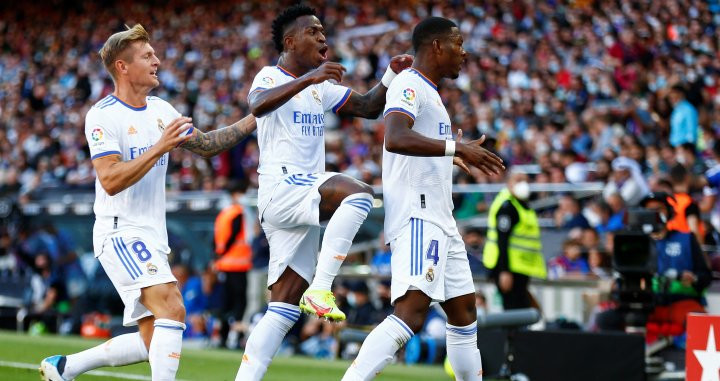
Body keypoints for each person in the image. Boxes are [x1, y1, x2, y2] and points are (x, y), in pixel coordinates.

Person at [40, 24, 256, 381]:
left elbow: (209, 144)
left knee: (152, 340)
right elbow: (109, 180)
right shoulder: (103, 115)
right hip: (119, 231)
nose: (157, 60)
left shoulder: (161, 110)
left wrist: (257, 117)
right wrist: (159, 147)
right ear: (122, 67)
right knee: (173, 306)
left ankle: (67, 367)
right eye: (147, 55)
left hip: (152, 235)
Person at [235, 5, 413, 380]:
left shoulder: (320, 88)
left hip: (300, 198)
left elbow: (367, 107)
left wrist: (389, 76)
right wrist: (311, 78)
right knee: (359, 194)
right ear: (290, 41)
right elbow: (257, 105)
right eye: (313, 32)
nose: (322, 38)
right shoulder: (270, 76)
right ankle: (322, 288)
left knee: (282, 308)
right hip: (283, 187)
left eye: (323, 32)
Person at [342, 17, 505, 381]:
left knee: (464, 315)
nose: (464, 52)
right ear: (436, 46)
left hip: (442, 220)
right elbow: (395, 137)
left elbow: (424, 149)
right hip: (418, 216)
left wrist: (454, 154)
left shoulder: (430, 92)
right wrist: (453, 147)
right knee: (411, 312)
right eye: (458, 43)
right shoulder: (409, 84)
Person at [596, 193, 711, 331]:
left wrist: (694, 278)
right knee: (605, 319)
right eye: (649, 210)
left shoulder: (686, 239)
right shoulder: (633, 241)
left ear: (670, 212)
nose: (654, 214)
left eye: (659, 209)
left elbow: (706, 276)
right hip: (644, 304)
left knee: (700, 324)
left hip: (680, 301)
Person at [483, 171, 546, 310]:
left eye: (525, 180)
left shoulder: (522, 205)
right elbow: (502, 240)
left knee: (521, 309)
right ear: (509, 183)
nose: (523, 184)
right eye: (518, 180)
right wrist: (505, 271)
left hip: (520, 267)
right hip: (507, 267)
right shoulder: (507, 207)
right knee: (512, 311)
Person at [214, 180, 253, 347]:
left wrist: (218, 256)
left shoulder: (224, 213)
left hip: (224, 264)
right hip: (238, 264)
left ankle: (222, 336)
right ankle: (235, 338)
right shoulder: (238, 212)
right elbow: (234, 236)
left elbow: (217, 239)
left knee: (226, 302)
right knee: (239, 302)